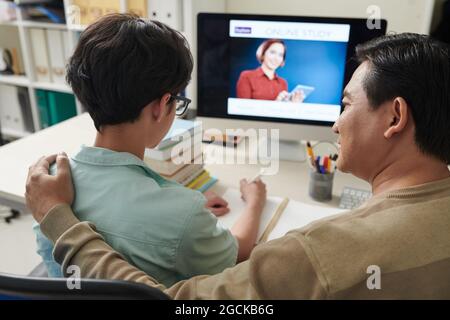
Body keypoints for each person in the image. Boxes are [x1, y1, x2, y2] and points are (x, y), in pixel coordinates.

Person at [26, 33, 450, 299]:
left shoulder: (318, 254)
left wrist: (57, 217)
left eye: (345, 104)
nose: (336, 122)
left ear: (394, 118)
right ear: (162, 105)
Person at [32, 13, 268, 287]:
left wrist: (181, 212)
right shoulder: (183, 214)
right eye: (177, 102)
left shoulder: (46, 186)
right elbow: (237, 253)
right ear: (161, 105)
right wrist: (254, 201)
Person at [236, 39, 304, 102]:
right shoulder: (247, 76)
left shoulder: (283, 83)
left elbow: (281, 112)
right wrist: (276, 103)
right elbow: (243, 110)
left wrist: (292, 105)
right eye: (272, 52)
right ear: (263, 53)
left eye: (280, 55)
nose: (276, 58)